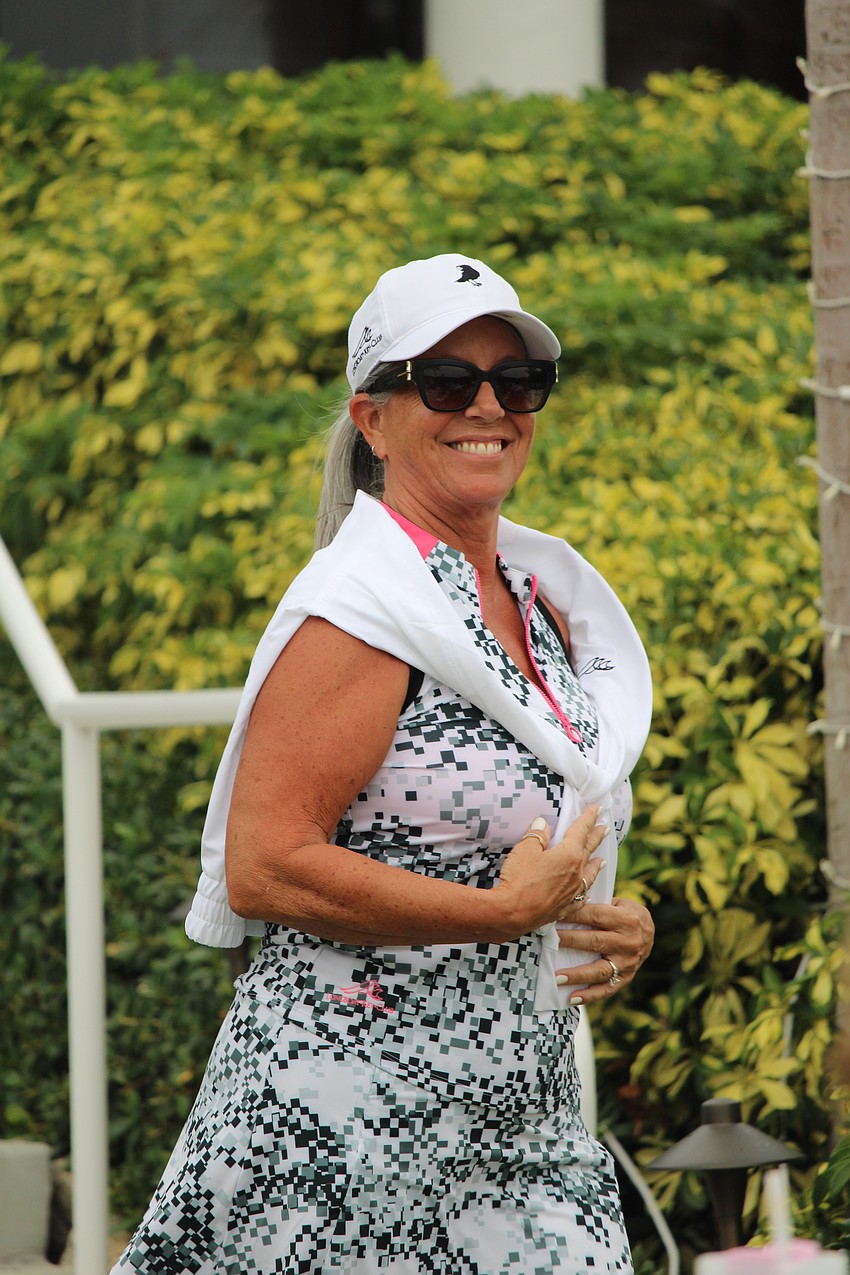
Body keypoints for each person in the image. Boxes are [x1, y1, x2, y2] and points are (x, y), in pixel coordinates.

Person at [111, 254, 655, 1275]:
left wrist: (605, 923)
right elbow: (264, 866)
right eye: (446, 381)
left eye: (517, 381)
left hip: (516, 1118)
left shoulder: (535, 605)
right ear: (373, 418)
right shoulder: (365, 615)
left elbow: (537, 834)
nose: (488, 405)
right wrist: (501, 915)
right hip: (339, 1130)